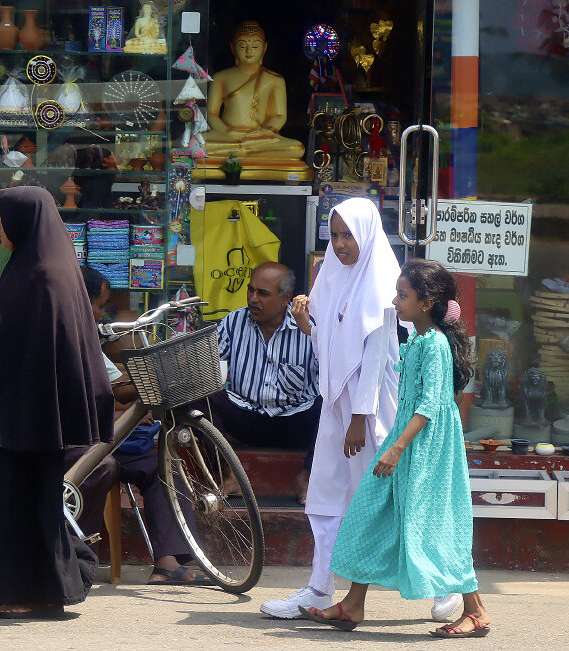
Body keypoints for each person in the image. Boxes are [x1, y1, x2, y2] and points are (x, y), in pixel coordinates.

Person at [259, 199, 461, 624]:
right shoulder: (330, 277)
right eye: (333, 235)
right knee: (327, 496)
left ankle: (448, 587)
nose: (340, 244)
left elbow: (373, 356)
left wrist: (358, 418)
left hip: (372, 412)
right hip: (336, 406)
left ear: (367, 233)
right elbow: (333, 349)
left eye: (348, 234)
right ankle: (319, 587)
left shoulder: (383, 279)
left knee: (397, 498)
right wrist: (308, 327)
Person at [298, 258, 491, 638]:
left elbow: (432, 404)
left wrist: (396, 448)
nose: (395, 301)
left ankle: (476, 609)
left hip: (425, 448)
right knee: (370, 516)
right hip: (406, 441)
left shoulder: (434, 344)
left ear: (426, 302)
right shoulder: (418, 340)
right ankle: (353, 605)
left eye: (403, 295)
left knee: (433, 526)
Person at [0, 186, 114, 619]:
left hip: (30, 416)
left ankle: (35, 591)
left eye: (2, 217)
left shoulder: (45, 277)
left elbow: (45, 352)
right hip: (17, 413)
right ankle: (49, 582)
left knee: (20, 500)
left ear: (24, 221)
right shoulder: (33, 268)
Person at [82, 267, 210, 585]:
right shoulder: (66, 338)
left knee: (159, 464)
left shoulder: (89, 341)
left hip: (102, 438)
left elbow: (114, 389)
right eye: (98, 305)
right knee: (105, 466)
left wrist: (148, 380)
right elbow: (105, 394)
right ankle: (76, 558)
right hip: (78, 444)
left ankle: (167, 562)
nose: (100, 314)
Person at [206, 261, 321, 503]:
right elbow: (208, 363)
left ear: (285, 298)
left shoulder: (308, 327)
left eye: (263, 293)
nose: (253, 299)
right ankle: (228, 476)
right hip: (246, 417)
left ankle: (308, 477)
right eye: (251, 290)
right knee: (200, 400)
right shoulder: (234, 322)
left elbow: (336, 372)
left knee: (331, 404)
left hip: (295, 421)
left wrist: (310, 331)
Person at [202, 21, 311, 180]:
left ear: (264, 49)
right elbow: (212, 114)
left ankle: (239, 152)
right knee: (193, 146)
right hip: (225, 137)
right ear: (233, 48)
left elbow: (279, 116)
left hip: (260, 138)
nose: (248, 51)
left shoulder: (274, 80)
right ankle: (240, 151)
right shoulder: (221, 77)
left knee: (296, 148)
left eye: (255, 46)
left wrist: (263, 132)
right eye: (242, 46)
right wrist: (228, 132)